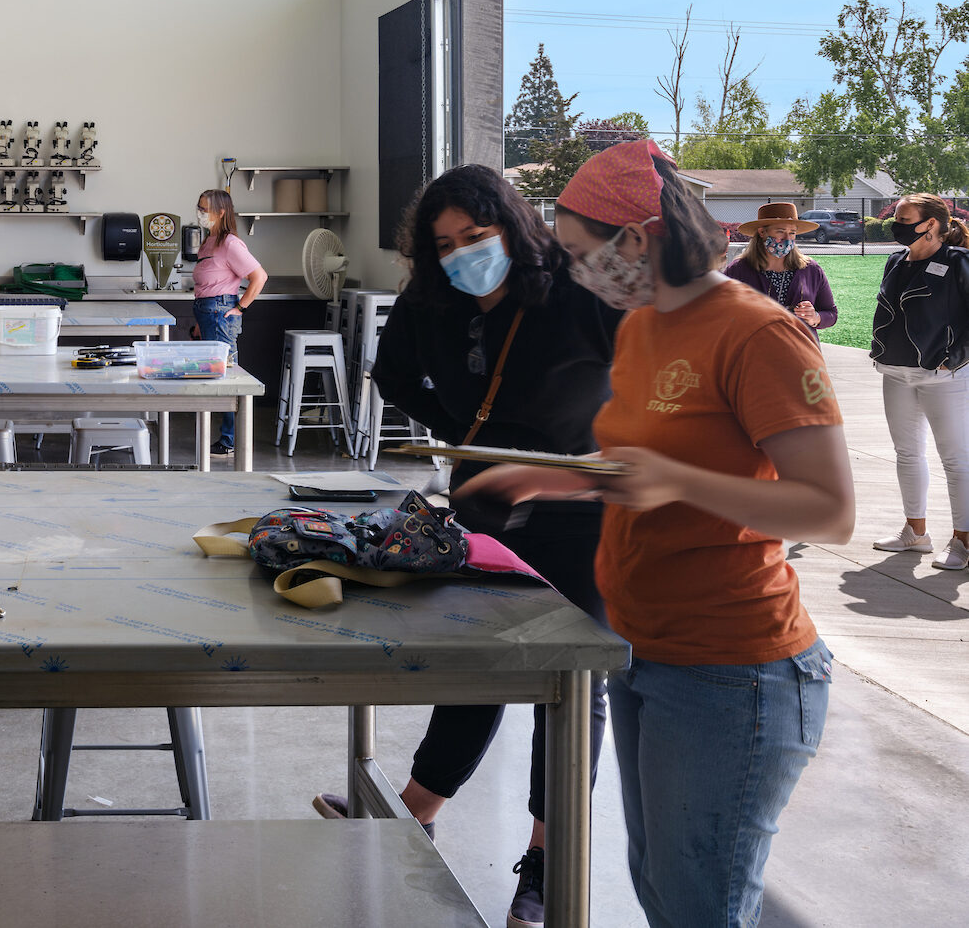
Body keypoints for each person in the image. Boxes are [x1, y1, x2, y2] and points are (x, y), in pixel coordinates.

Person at [459, 138, 852, 928]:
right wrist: (540, 476)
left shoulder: (756, 333)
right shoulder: (639, 327)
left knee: (698, 904)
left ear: (634, 238)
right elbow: (636, 461)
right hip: (642, 650)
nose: (576, 272)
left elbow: (828, 510)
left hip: (733, 669)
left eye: (579, 253)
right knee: (663, 890)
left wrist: (678, 484)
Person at [310, 164, 620, 928]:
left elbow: (637, 377)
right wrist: (459, 433)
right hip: (479, 494)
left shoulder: (576, 289)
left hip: (576, 501)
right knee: (476, 656)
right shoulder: (432, 296)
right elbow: (391, 374)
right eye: (445, 243)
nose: (461, 253)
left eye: (475, 237)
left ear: (511, 225)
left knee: (572, 681)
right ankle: (415, 808)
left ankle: (547, 863)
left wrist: (592, 452)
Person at [866, 193, 969, 565]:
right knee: (907, 454)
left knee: (956, 460)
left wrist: (952, 359)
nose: (896, 224)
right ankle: (916, 532)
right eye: (896, 216)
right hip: (895, 372)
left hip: (945, 377)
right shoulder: (896, 260)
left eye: (904, 218)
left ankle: (963, 541)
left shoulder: (958, 261)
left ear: (931, 224)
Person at [186, 189, 268, 459]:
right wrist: (199, 324)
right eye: (199, 207)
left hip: (220, 314)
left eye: (205, 209)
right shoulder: (210, 241)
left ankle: (230, 441)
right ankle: (225, 438)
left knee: (227, 378)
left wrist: (240, 307)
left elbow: (259, 277)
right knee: (214, 377)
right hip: (206, 313)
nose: (200, 213)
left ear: (221, 212)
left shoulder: (231, 243)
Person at [722, 202, 836, 331]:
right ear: (762, 232)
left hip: (801, 349)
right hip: (753, 349)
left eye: (792, 233)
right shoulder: (738, 270)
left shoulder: (811, 270)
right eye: (780, 232)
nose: (787, 238)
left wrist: (815, 317)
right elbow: (719, 311)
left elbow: (831, 313)